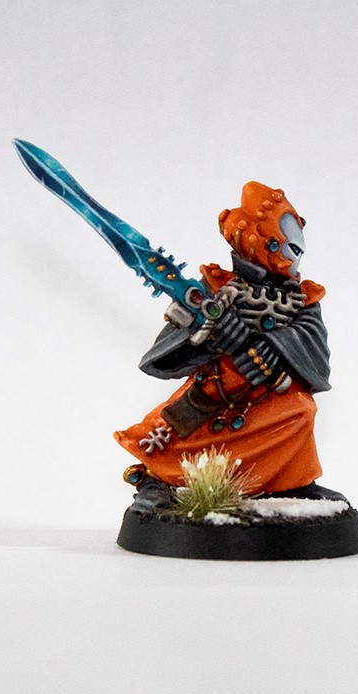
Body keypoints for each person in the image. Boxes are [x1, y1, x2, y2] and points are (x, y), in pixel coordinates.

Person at [115, 182, 338, 506]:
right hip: (216, 388)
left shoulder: (300, 298)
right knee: (171, 435)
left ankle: (292, 481)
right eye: (290, 248)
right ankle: (157, 480)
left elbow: (312, 344)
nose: (296, 258)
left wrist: (272, 346)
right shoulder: (218, 288)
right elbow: (170, 347)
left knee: (301, 412)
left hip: (270, 392)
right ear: (266, 242)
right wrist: (210, 336)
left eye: (297, 250)